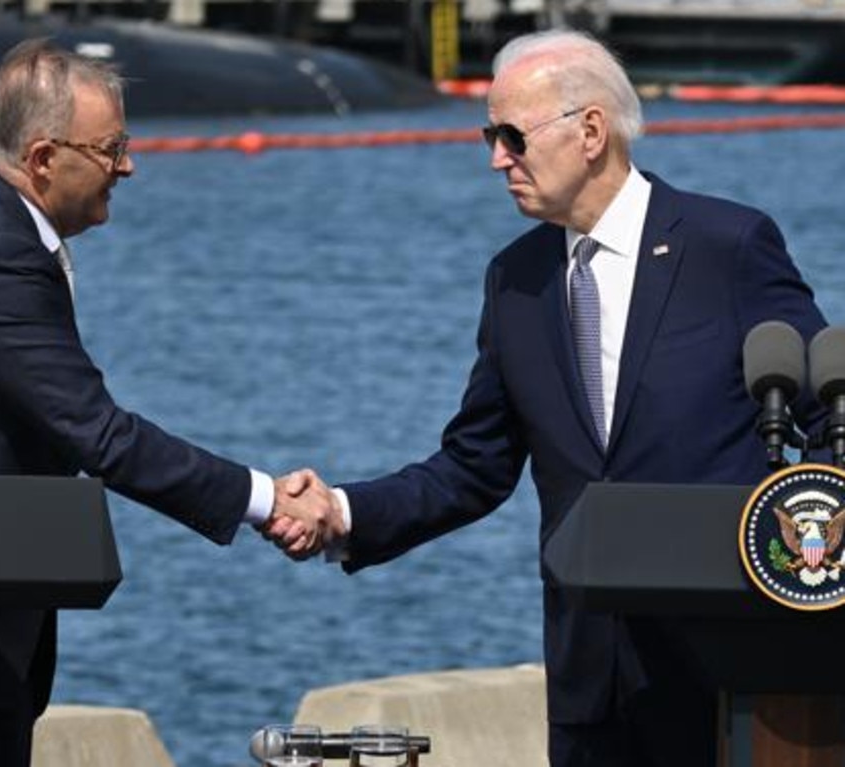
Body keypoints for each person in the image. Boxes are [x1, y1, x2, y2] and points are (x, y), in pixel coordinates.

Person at [272, 29, 828, 767]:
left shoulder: (727, 247)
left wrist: (796, 576)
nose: (497, 158)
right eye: (488, 136)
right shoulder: (516, 280)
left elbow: (829, 420)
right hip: (590, 683)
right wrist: (342, 512)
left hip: (732, 673)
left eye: (511, 136)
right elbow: (473, 465)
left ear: (591, 131)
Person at [0, 38, 340, 767]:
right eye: (112, 147)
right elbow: (100, 434)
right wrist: (267, 499)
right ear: (44, 159)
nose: (128, 165)